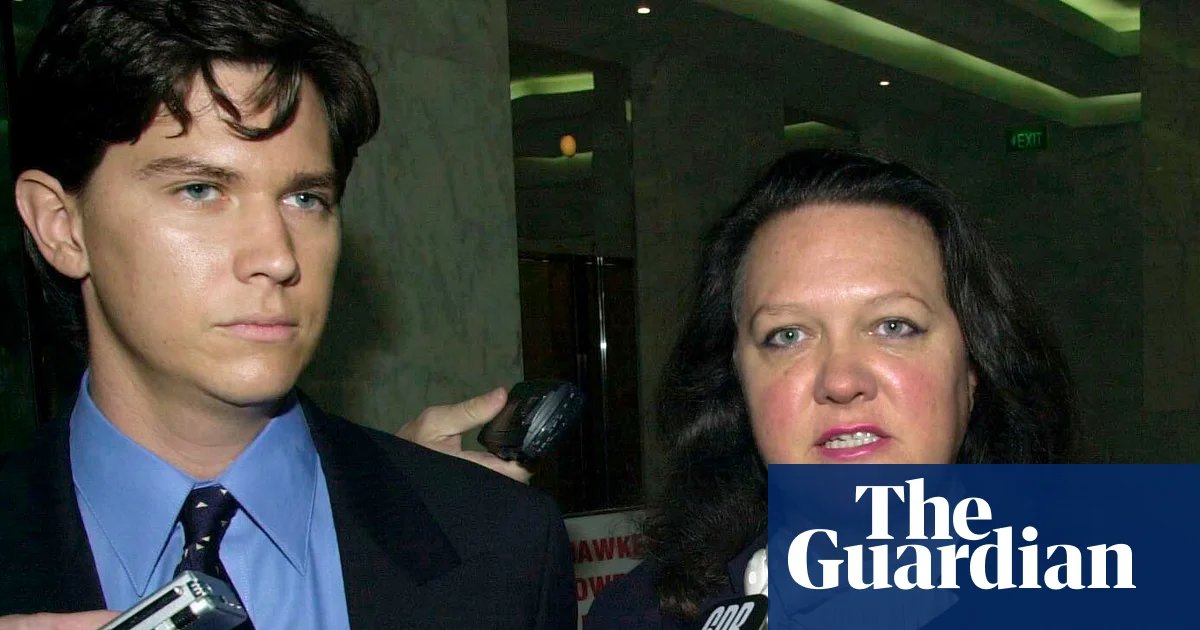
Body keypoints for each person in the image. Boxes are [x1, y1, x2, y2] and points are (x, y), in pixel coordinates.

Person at [0, 1, 574, 628]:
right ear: (61, 226)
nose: (277, 257)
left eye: (305, 198)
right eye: (200, 190)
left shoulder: (504, 544)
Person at [585, 149, 1073, 628]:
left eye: (894, 326)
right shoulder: (637, 616)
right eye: (788, 336)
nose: (840, 381)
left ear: (973, 368)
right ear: (736, 376)